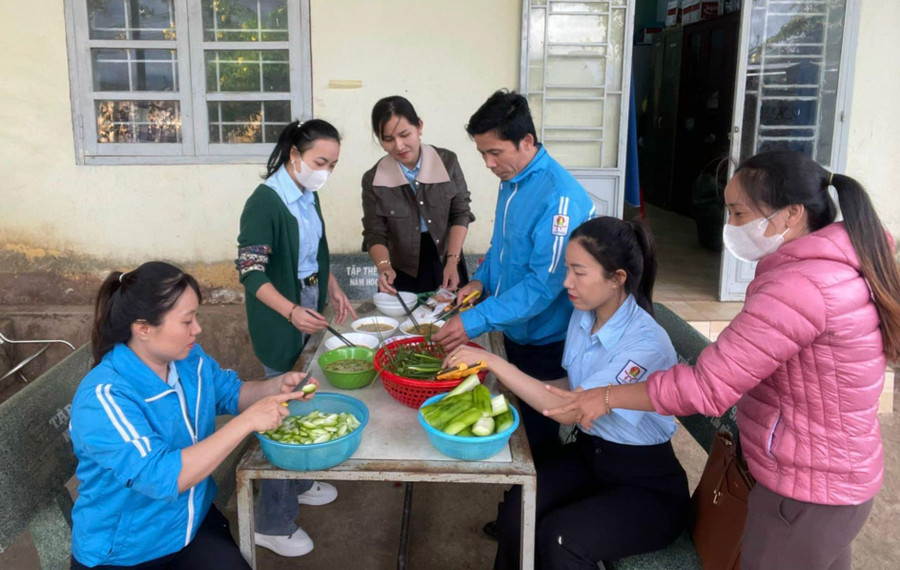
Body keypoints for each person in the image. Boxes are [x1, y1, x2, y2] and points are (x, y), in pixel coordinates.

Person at [545, 151, 900, 570]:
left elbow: (707, 387)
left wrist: (605, 396)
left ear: (791, 214)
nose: (729, 226)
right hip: (831, 480)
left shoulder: (801, 287)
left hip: (805, 488)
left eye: (738, 212)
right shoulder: (825, 271)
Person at [447, 217, 690, 569]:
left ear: (617, 278)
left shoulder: (644, 344)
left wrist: (494, 363)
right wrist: (506, 384)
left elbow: (571, 410)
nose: (567, 283)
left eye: (579, 272)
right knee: (517, 514)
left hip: (645, 484)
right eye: (566, 270)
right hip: (592, 455)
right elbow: (571, 389)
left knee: (561, 538)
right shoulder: (584, 314)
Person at [69, 262, 318, 569]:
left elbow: (229, 392)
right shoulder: (105, 396)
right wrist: (248, 421)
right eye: (187, 321)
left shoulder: (188, 359)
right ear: (143, 328)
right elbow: (163, 476)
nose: (197, 329)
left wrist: (274, 387)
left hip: (186, 525)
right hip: (127, 553)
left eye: (195, 317)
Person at [433, 89, 595, 463]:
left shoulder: (559, 199)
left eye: (495, 153)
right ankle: (519, 506)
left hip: (546, 341)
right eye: (482, 154)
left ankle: (535, 513)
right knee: (512, 419)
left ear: (526, 142)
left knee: (536, 434)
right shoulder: (513, 180)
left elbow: (543, 287)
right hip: (514, 331)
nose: (489, 164)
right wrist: (481, 281)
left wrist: (475, 319)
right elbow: (501, 245)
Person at [236, 119, 356, 557]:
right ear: (294, 156)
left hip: (306, 304)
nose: (326, 171)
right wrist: (290, 310)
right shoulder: (265, 202)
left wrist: (332, 288)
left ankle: (300, 481)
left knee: (304, 393)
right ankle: (272, 521)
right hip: (279, 315)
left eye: (333, 164)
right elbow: (251, 272)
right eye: (320, 161)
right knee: (281, 412)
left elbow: (315, 255)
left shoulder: (308, 194)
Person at [362, 95, 476, 294]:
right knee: (405, 323)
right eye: (388, 139)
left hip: (447, 257)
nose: (399, 146)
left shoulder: (447, 162)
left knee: (450, 318)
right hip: (400, 268)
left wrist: (452, 260)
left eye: (405, 134)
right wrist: (383, 266)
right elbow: (374, 232)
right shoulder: (373, 179)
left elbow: (460, 213)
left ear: (419, 127)